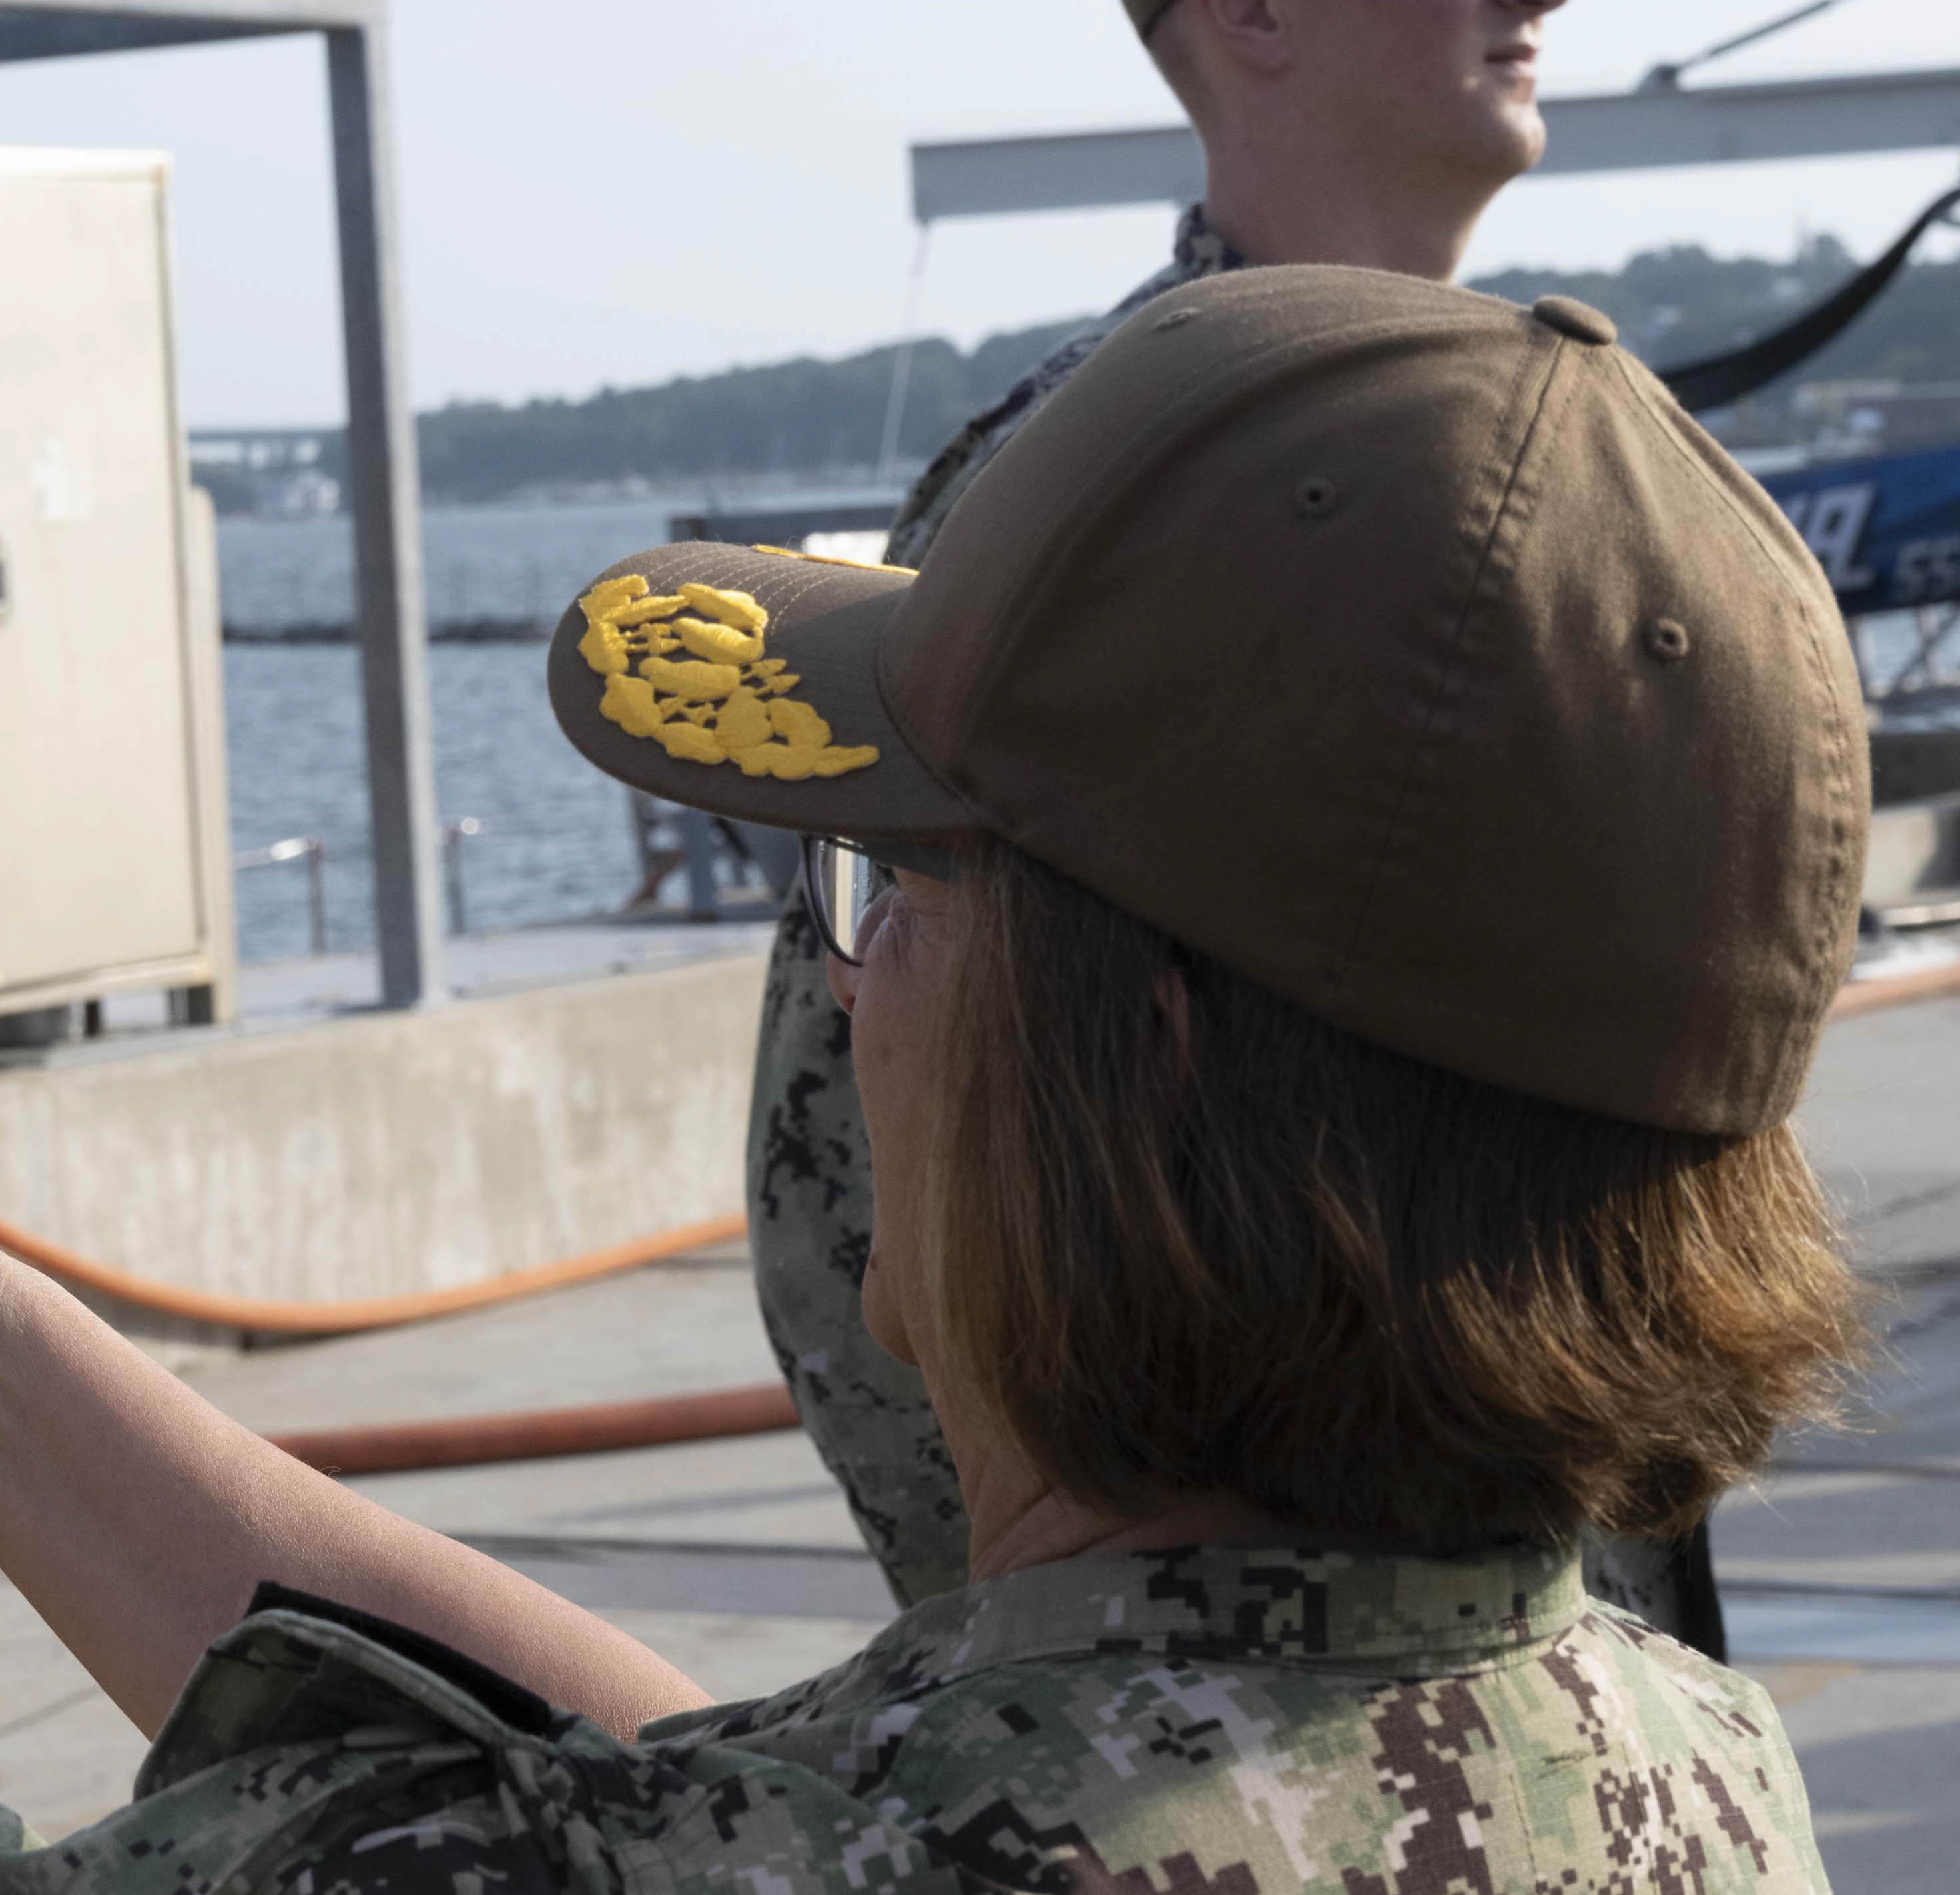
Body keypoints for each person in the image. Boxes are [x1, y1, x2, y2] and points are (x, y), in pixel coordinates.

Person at [0, 267, 1863, 1892]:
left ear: (1127, 1070)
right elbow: (721, 1787)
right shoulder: (1660, 1763)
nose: (861, 986)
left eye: (892, 892)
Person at [747, 0, 1756, 1647]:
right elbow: (857, 1167)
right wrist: (1074, 1671)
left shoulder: (1535, 469)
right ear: (1250, 15)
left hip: (1539, 1661)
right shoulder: (1089, 489)